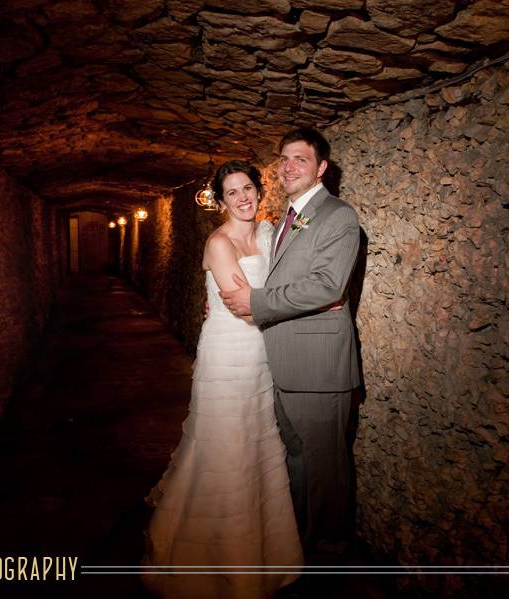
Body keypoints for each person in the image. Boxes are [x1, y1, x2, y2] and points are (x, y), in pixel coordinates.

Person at [142, 160, 303, 598]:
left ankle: (263, 553)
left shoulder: (271, 233)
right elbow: (244, 303)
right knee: (226, 447)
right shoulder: (218, 242)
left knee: (257, 443)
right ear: (221, 200)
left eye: (248, 188)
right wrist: (307, 304)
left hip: (262, 355)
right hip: (229, 357)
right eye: (232, 192)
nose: (243, 197)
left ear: (259, 191)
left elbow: (287, 276)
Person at [220, 128, 361, 559]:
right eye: (284, 159)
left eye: (300, 159)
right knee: (298, 463)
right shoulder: (288, 218)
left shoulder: (338, 215)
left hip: (319, 368)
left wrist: (255, 302)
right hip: (284, 364)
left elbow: (326, 285)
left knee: (324, 469)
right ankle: (300, 547)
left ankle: (329, 556)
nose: (288, 166)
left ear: (321, 168)